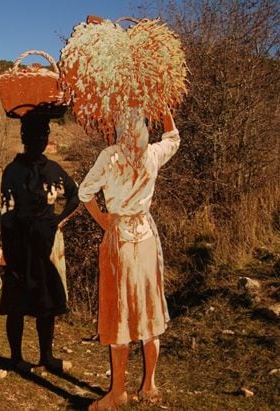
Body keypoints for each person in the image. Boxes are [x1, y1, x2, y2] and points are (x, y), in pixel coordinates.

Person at [78, 108, 179, 410]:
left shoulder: (110, 155)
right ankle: (148, 386)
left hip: (120, 239)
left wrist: (104, 221)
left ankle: (119, 392)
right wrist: (165, 109)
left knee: (119, 312)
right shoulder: (152, 154)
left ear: (121, 128)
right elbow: (173, 137)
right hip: (146, 236)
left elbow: (85, 193)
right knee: (149, 308)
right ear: (146, 128)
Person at [0, 112, 80, 373]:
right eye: (34, 135)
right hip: (19, 245)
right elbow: (6, 214)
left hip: (46, 245)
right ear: (24, 137)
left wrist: (58, 221)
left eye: (44, 134)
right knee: (17, 304)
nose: (40, 140)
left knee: (46, 304)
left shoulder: (54, 170)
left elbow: (76, 195)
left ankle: (47, 356)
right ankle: (16, 359)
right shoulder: (12, 172)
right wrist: (6, 251)